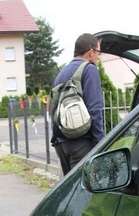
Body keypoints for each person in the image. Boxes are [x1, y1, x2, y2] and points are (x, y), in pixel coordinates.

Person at [51, 33, 105, 175]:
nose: (98, 57)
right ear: (91, 52)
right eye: (98, 52)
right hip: (81, 142)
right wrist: (101, 143)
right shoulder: (89, 69)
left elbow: (53, 109)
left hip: (61, 143)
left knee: (71, 190)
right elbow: (95, 110)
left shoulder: (61, 73)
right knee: (85, 192)